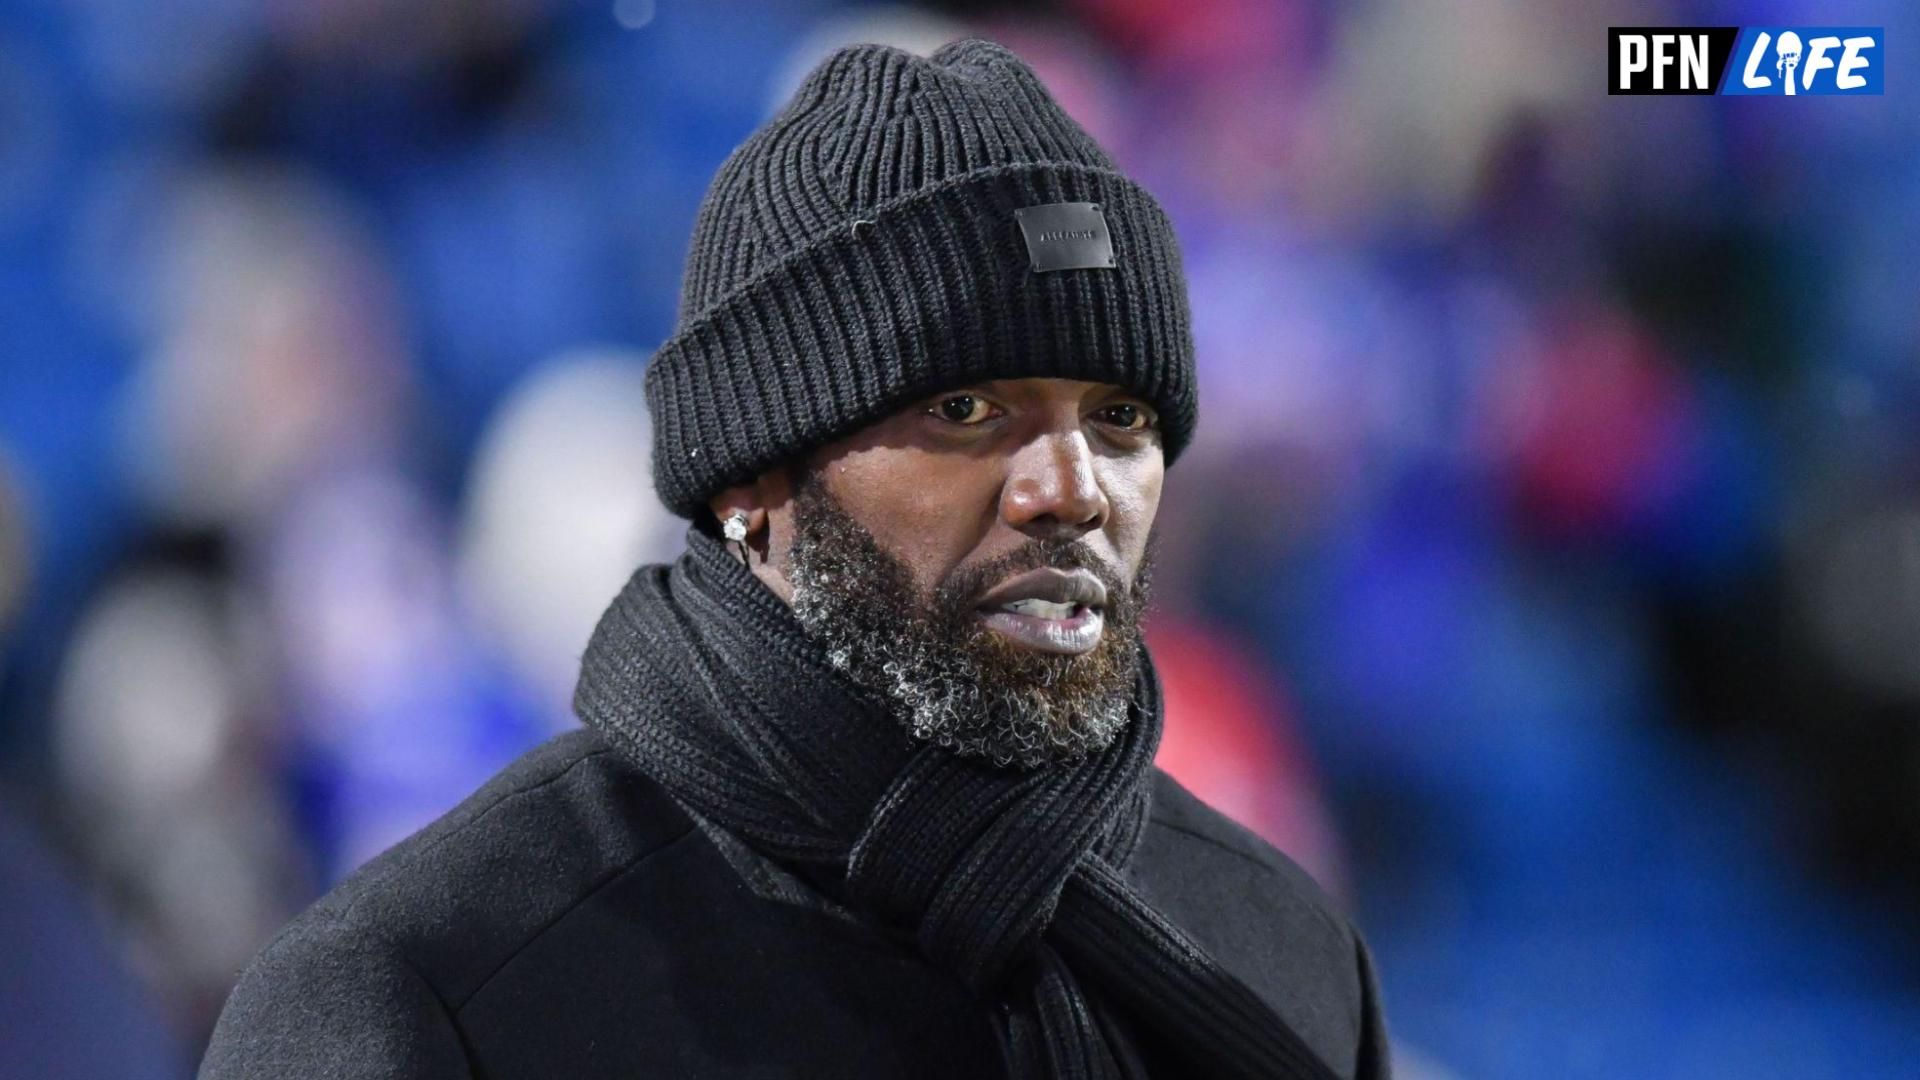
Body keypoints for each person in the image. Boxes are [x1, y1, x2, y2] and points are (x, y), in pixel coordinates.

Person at [201, 37, 1391, 1079]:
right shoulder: (426, 992)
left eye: (1121, 419)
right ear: (751, 481)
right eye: (970, 410)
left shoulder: (1279, 950)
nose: (1071, 490)